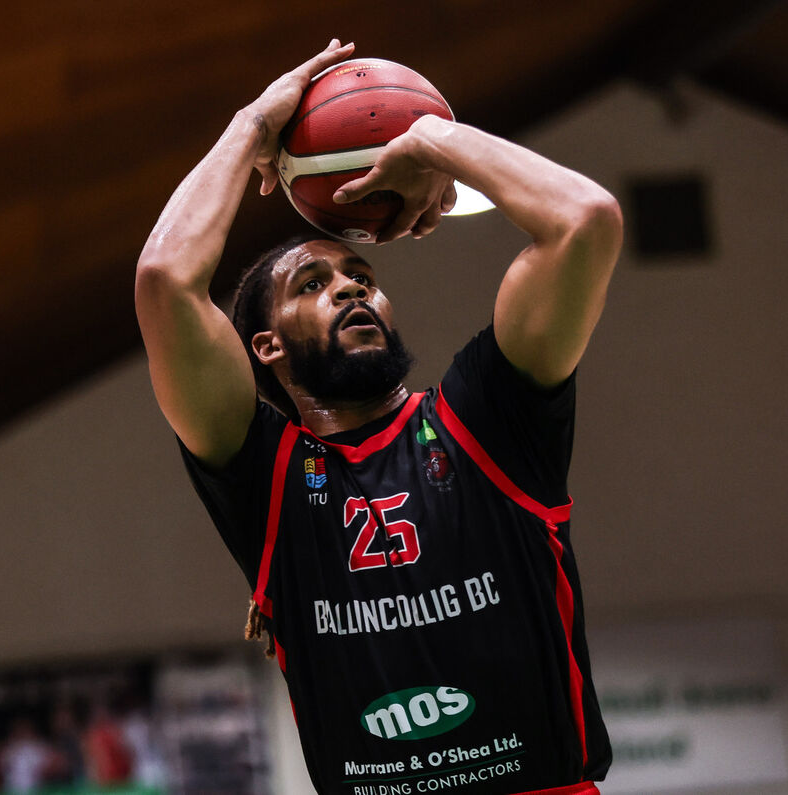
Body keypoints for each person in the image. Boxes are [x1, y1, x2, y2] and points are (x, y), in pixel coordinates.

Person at [136, 39, 622, 795]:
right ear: (262, 345)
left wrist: (429, 137)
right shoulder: (264, 479)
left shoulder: (488, 417)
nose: (351, 289)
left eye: (361, 274)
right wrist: (253, 126)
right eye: (314, 282)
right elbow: (166, 279)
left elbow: (583, 220)